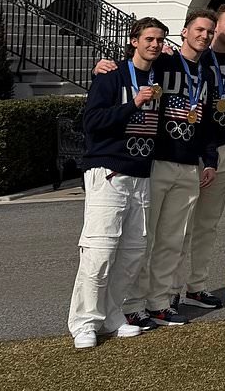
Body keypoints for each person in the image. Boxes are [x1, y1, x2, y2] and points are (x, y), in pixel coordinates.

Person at [67, 18, 167, 349]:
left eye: (159, 40)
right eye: (149, 39)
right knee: (99, 251)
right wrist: (133, 104)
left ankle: (112, 314)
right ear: (134, 40)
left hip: (141, 174)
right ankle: (84, 322)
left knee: (132, 253)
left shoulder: (157, 76)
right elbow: (92, 123)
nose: (154, 44)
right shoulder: (111, 76)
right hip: (108, 171)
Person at [123, 11, 219, 329]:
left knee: (172, 240)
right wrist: (105, 65)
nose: (204, 36)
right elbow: (133, 69)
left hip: (189, 165)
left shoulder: (206, 74)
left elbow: (205, 122)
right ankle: (133, 305)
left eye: (209, 32)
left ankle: (160, 303)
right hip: (158, 161)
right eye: (199, 30)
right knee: (145, 238)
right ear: (184, 32)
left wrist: (211, 159)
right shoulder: (164, 62)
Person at [174, 3, 225, 310]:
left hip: (224, 147)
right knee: (180, 226)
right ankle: (169, 292)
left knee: (208, 225)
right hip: (194, 149)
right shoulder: (194, 58)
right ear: (216, 26)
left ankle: (197, 286)